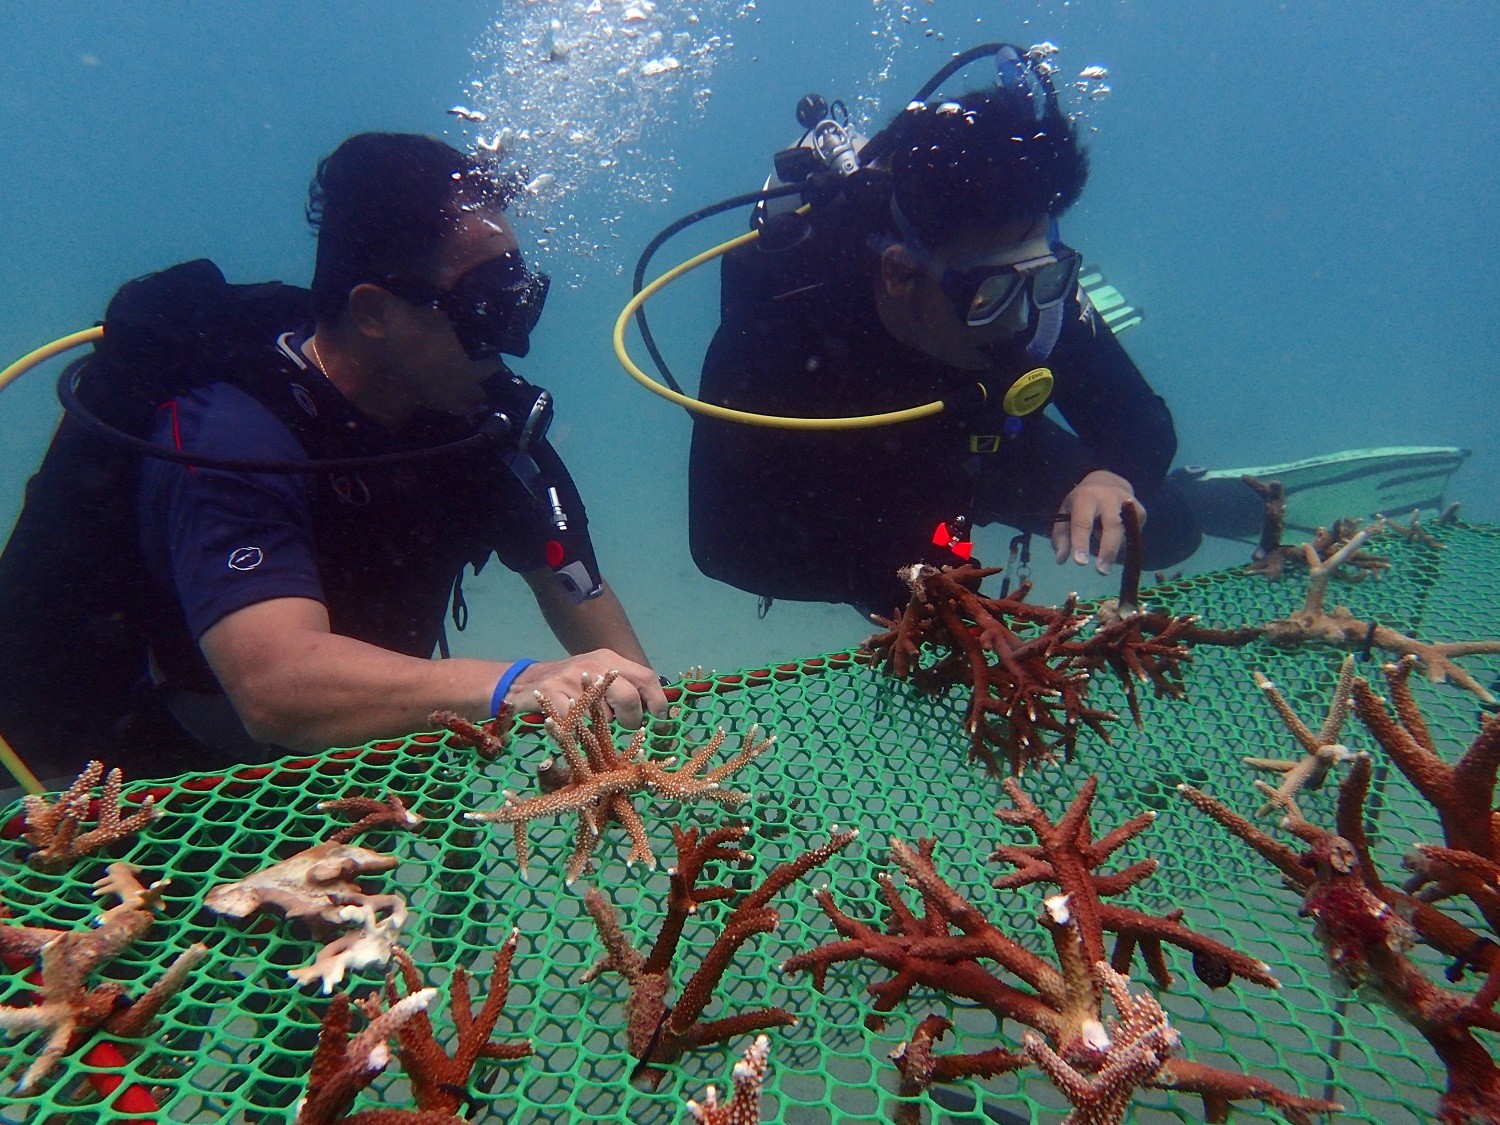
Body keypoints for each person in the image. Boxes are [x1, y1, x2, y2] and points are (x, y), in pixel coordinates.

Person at [0, 132, 666, 783]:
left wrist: (651, 746)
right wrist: (524, 681)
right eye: (482, 307)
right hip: (146, 779)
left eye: (520, 302)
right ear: (373, 313)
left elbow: (585, 600)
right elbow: (274, 688)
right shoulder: (232, 433)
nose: (511, 341)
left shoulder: (471, 424)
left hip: (341, 774)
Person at [688, 45, 1202, 618]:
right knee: (919, 597)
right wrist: (895, 577)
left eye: (1047, 277)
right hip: (841, 486)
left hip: (978, 448)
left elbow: (1140, 422)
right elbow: (726, 546)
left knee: (1167, 528)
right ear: (901, 272)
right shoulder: (782, 317)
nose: (1021, 320)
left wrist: (1109, 476)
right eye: (991, 295)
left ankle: (1216, 496)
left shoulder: (1032, 287)